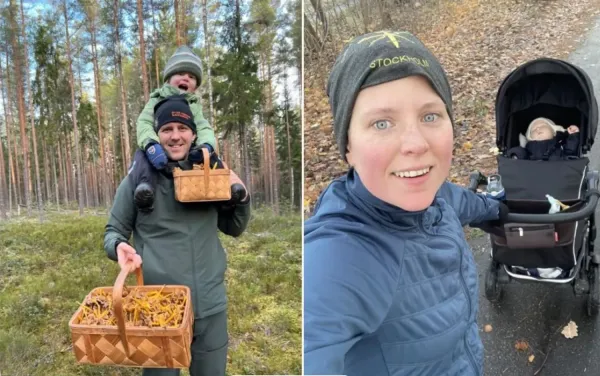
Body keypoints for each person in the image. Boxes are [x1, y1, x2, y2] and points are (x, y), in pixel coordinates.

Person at [303, 30, 509, 376]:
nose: (415, 144)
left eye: (430, 116)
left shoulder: (433, 194)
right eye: (382, 123)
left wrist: (499, 212)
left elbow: (462, 202)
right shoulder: (342, 254)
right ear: (348, 146)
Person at [104, 96, 251, 376]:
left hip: (209, 306)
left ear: (194, 134)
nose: (175, 136)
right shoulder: (138, 181)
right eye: (167, 129)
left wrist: (242, 198)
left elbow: (234, 227)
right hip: (159, 310)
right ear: (157, 135)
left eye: (182, 128)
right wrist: (119, 246)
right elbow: (113, 230)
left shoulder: (208, 175)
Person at [132, 45, 223, 213]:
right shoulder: (155, 100)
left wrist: (206, 146)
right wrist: (151, 144)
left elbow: (203, 128)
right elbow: (144, 122)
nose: (186, 78)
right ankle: (145, 187)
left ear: (195, 86)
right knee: (141, 157)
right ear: (168, 79)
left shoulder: (193, 106)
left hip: (187, 152)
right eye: (181, 74)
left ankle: (229, 189)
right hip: (159, 150)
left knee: (214, 158)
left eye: (191, 76)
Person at [506, 117, 580, 160]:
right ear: (530, 138)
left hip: (558, 170)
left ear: (554, 131)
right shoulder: (527, 149)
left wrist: (573, 135)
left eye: (542, 126)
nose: (538, 129)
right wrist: (515, 154)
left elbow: (570, 150)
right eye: (533, 129)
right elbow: (520, 154)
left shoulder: (560, 145)